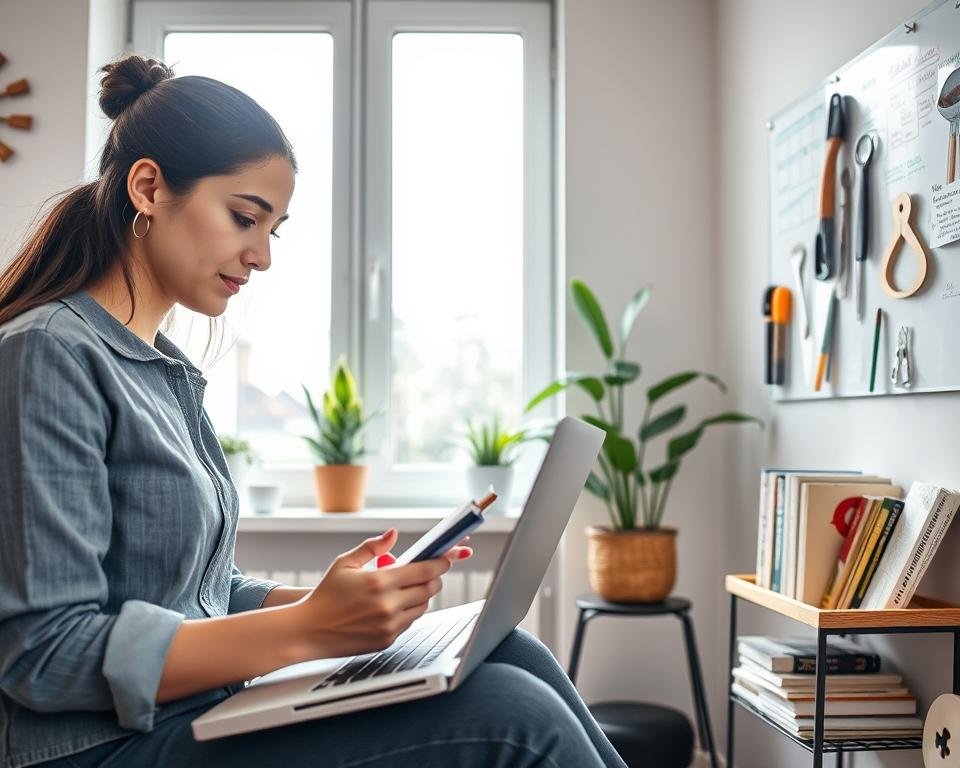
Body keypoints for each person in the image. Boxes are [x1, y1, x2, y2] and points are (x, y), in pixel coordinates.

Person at [0, 55, 627, 767]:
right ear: (148, 187)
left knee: (511, 650)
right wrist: (313, 631)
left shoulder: (162, 369)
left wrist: (330, 603)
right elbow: (44, 654)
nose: (262, 256)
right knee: (514, 716)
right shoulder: (47, 354)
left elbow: (197, 593)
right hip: (95, 748)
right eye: (245, 218)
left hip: (184, 720)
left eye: (274, 229)